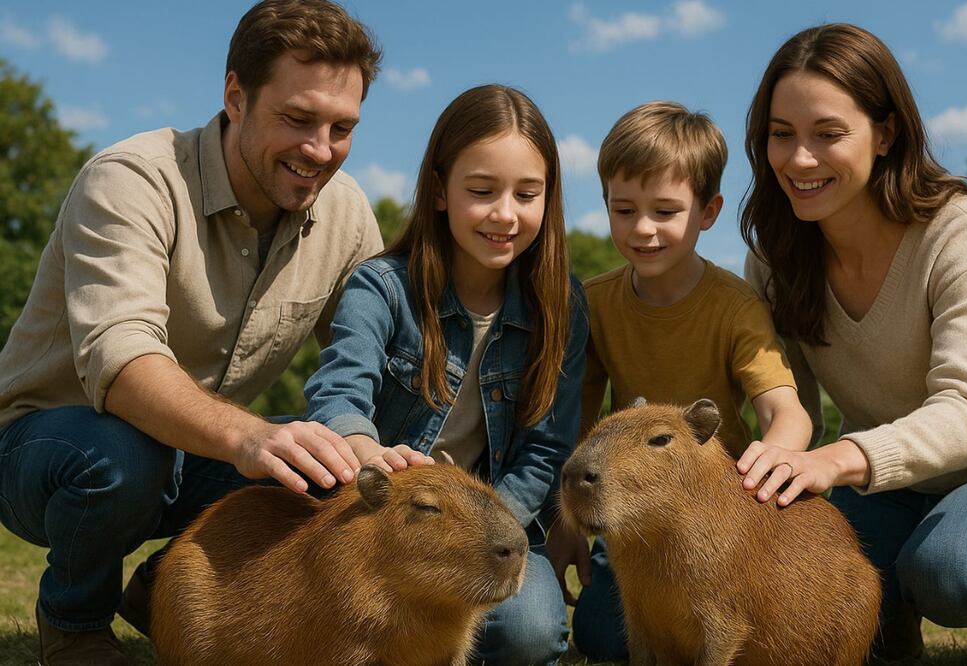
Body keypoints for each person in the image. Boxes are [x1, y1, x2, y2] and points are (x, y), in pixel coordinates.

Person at [0, 1, 385, 663]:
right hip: (48, 445)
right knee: (124, 454)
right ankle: (75, 621)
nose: (320, 150)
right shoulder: (132, 179)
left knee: (331, 469)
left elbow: (373, 356)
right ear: (235, 95)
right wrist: (250, 435)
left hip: (194, 453)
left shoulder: (345, 212)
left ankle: (165, 587)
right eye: (297, 119)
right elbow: (121, 359)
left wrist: (368, 451)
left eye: (341, 127)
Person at [739, 23, 967, 665]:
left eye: (828, 134)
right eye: (781, 134)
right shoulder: (775, 258)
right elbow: (790, 408)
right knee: (814, 590)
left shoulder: (962, 236)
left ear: (886, 133)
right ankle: (888, 625)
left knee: (948, 572)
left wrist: (833, 461)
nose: (800, 159)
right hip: (889, 482)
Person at [303, 83, 588, 666]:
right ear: (439, 191)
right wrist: (364, 449)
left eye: (527, 194)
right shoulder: (379, 287)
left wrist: (482, 532)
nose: (505, 214)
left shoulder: (562, 306)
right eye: (481, 191)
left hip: (494, 524)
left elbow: (544, 453)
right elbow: (337, 394)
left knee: (530, 631)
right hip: (384, 518)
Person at [546, 101, 813, 661]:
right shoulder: (592, 303)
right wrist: (568, 519)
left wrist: (763, 481)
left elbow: (785, 413)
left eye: (666, 211)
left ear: (708, 210)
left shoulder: (736, 307)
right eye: (624, 210)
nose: (643, 229)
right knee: (601, 632)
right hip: (630, 510)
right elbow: (575, 422)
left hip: (721, 512)